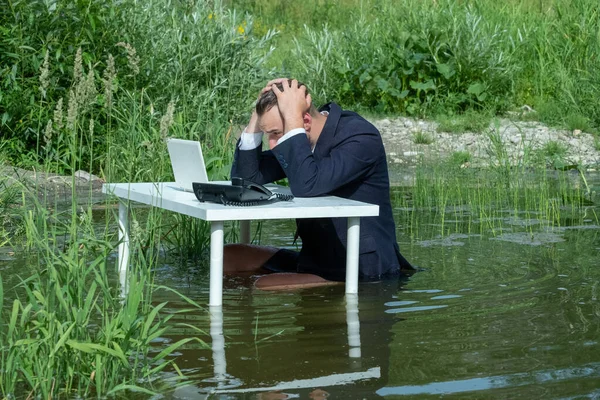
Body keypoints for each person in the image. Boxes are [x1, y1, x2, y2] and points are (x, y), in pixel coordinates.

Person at [225, 78, 414, 289]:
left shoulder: (360, 137)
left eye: (276, 133)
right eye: (269, 135)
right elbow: (246, 178)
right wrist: (257, 119)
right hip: (314, 258)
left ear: (305, 121)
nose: (273, 145)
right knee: (227, 256)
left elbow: (307, 186)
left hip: (360, 266)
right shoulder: (298, 138)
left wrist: (293, 122)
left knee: (264, 285)